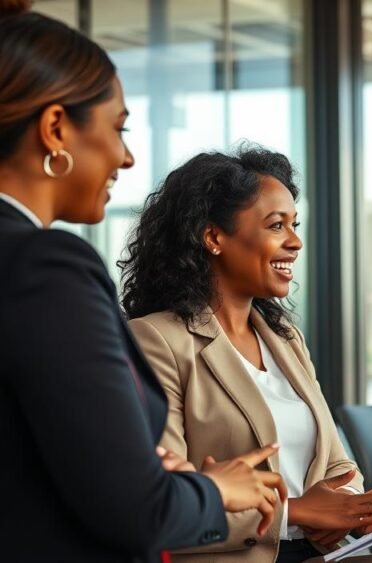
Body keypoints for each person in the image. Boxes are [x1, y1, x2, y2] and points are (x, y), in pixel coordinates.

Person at [0, 3, 288, 561]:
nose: (127, 158)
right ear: (56, 128)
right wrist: (214, 490)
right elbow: (137, 512)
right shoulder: (44, 269)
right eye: (117, 128)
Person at [119, 147, 372, 563]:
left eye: (294, 224)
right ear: (214, 237)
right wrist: (296, 513)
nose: (296, 241)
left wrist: (357, 507)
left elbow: (338, 467)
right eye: (276, 225)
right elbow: (162, 497)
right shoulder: (156, 340)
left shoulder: (285, 340)